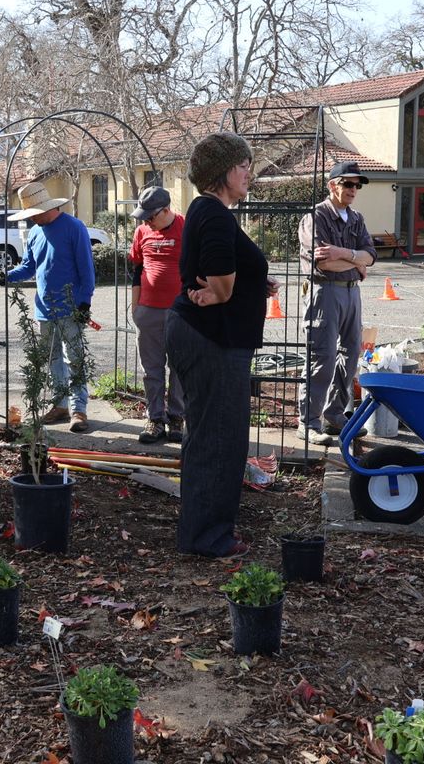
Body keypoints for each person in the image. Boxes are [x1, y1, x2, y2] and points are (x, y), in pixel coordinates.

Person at [165, 131, 276, 558]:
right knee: (220, 438)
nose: (249, 171)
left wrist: (250, 283)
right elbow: (218, 275)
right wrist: (226, 291)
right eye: (242, 164)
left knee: (210, 435)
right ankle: (207, 538)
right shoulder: (213, 214)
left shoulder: (210, 211)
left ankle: (203, 531)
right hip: (212, 339)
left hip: (212, 337)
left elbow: (224, 269)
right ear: (221, 172)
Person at [0, 181, 95, 433]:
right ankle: (60, 404)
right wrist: (7, 275)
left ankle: (79, 410)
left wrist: (84, 302)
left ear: (45, 208)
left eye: (33, 214)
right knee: (53, 359)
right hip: (44, 309)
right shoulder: (36, 233)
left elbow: (87, 270)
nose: (32, 219)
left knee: (74, 359)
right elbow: (30, 266)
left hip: (71, 307)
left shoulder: (74, 228)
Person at [296, 162, 377, 446]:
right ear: (333, 185)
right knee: (323, 357)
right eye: (348, 184)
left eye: (357, 185)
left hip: (351, 292)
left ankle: (335, 413)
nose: (354, 190)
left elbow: (370, 256)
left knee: (351, 353)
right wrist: (357, 262)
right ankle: (308, 421)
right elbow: (323, 261)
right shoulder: (315, 217)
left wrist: (346, 254)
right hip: (324, 292)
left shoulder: (356, 218)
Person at [128, 185, 186, 444]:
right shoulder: (141, 232)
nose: (147, 222)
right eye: (144, 217)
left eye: (151, 216)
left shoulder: (187, 228)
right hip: (148, 310)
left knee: (179, 367)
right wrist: (135, 307)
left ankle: (176, 418)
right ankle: (155, 419)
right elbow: (137, 269)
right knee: (151, 368)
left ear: (166, 210)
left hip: (180, 312)